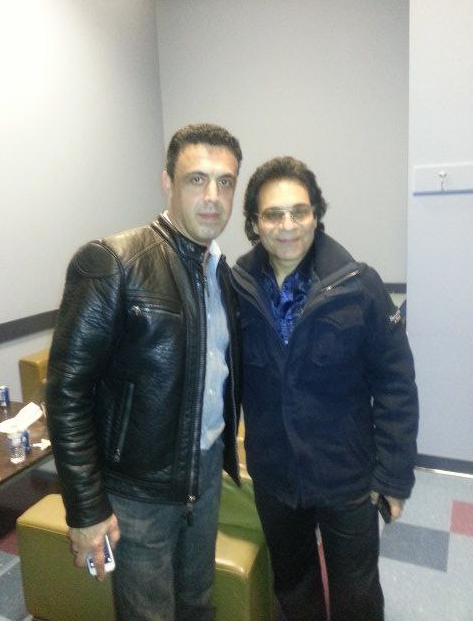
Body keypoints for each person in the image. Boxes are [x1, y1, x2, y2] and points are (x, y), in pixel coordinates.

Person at [46, 123, 243, 621]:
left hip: (204, 476)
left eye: (225, 182)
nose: (212, 195)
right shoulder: (114, 262)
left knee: (197, 604)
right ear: (167, 183)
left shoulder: (221, 273)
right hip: (137, 493)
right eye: (197, 179)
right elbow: (67, 393)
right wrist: (86, 509)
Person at [231, 156, 419, 621]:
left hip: (346, 475)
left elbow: (396, 384)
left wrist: (394, 476)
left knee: (357, 593)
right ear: (254, 223)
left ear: (316, 215)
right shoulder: (236, 287)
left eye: (300, 211)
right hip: (275, 475)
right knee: (293, 585)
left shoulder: (358, 285)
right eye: (273, 214)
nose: (288, 226)